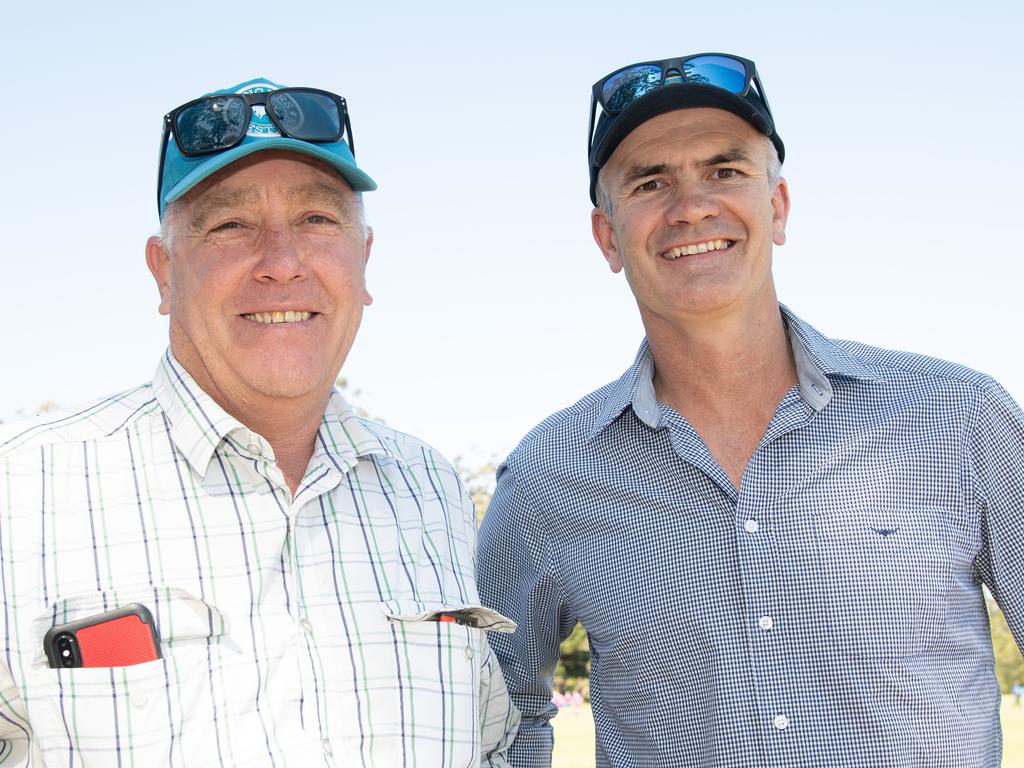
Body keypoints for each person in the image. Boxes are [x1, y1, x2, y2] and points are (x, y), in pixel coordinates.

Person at [477, 53, 1024, 767]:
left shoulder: (957, 419)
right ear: (607, 237)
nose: (691, 205)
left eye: (725, 170)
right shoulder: (547, 479)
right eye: (649, 182)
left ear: (779, 206)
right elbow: (500, 714)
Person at [0, 77, 518, 766]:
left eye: (317, 220)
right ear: (163, 272)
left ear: (364, 261)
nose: (281, 262)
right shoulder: (22, 491)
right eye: (230, 225)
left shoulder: (433, 490)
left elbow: (489, 743)